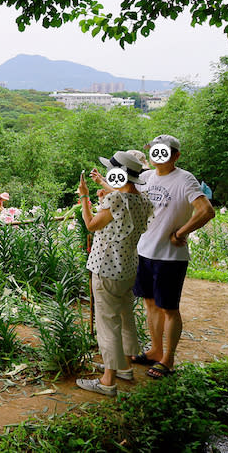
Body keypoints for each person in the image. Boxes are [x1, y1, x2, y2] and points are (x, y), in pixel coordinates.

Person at [93, 134, 215, 379]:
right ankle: (155, 350)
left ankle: (168, 360)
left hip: (170, 256)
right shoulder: (146, 177)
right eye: (153, 150)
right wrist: (104, 190)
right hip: (143, 252)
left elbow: (206, 210)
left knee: (169, 308)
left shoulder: (184, 179)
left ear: (176, 155)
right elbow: (127, 195)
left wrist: (181, 232)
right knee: (150, 303)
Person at [76, 151, 153, 396]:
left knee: (107, 323)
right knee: (125, 317)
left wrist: (85, 198)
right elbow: (124, 202)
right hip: (128, 267)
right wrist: (106, 190)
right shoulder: (143, 201)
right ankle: (125, 367)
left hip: (106, 267)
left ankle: (107, 381)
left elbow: (90, 225)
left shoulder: (116, 200)